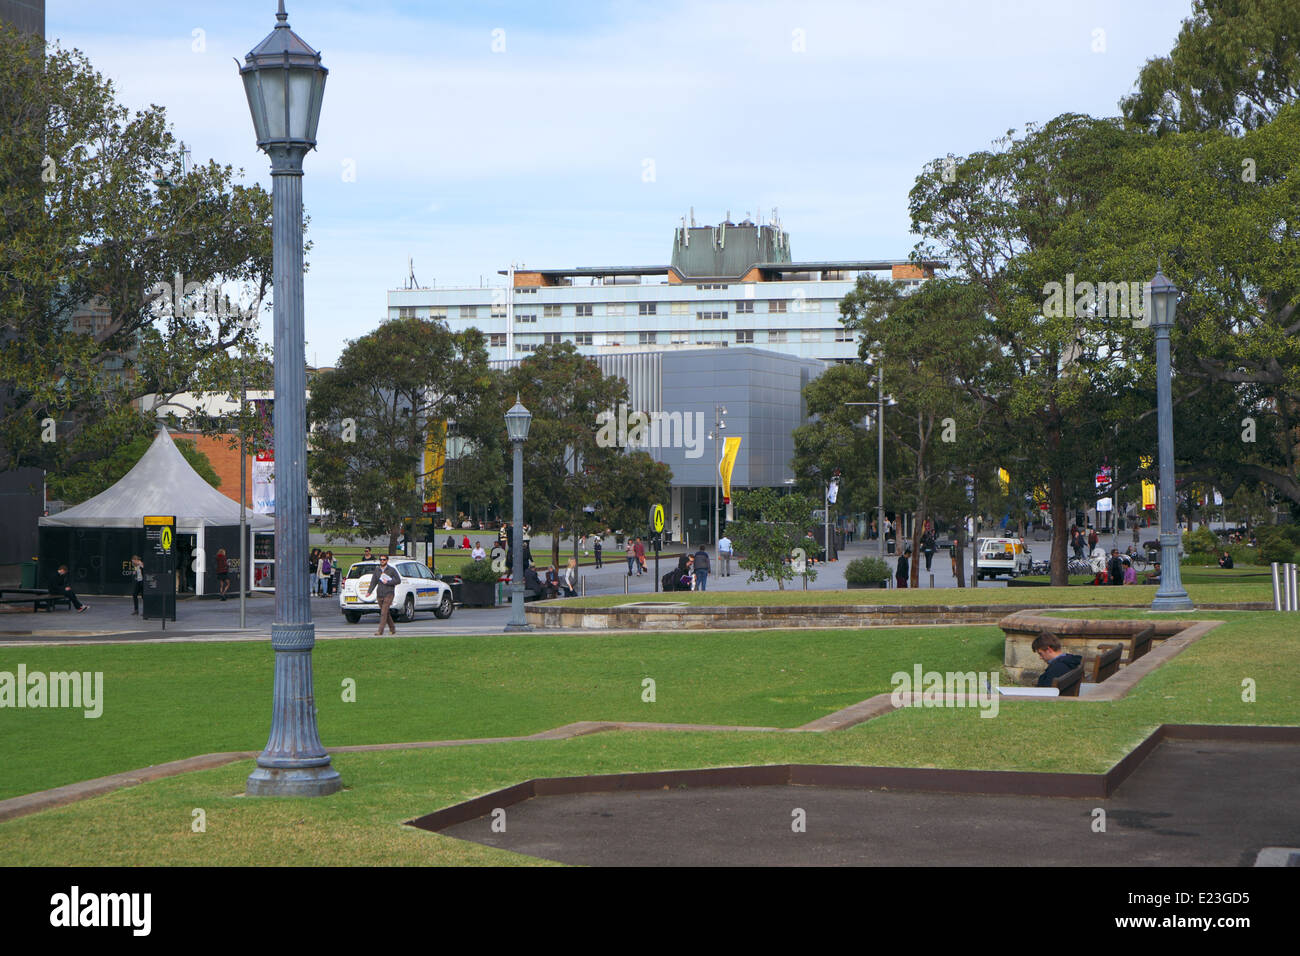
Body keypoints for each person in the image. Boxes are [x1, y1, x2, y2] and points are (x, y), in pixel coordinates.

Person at [364, 555, 401, 636]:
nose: (382, 561)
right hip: (380, 594)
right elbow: (373, 581)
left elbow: (398, 580)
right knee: (386, 613)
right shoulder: (377, 570)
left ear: (387, 560)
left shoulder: (392, 570)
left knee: (383, 612)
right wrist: (369, 591)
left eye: (384, 560)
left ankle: (380, 631)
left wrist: (388, 582)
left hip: (389, 593)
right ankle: (392, 629)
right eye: (381, 559)